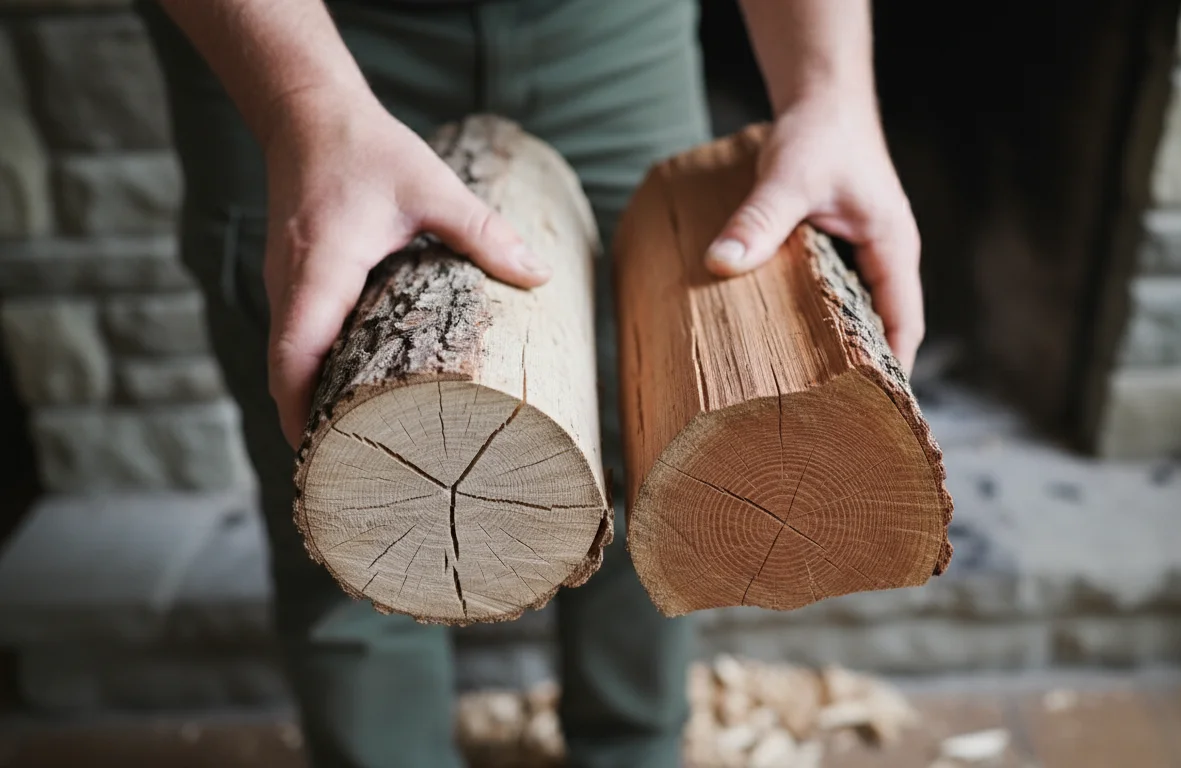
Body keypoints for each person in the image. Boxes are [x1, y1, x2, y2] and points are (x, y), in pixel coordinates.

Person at [138, 1, 922, 766]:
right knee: (348, 476)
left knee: (657, 435)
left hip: (609, 31)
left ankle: (633, 748)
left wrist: (831, 94)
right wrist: (305, 109)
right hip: (295, 36)